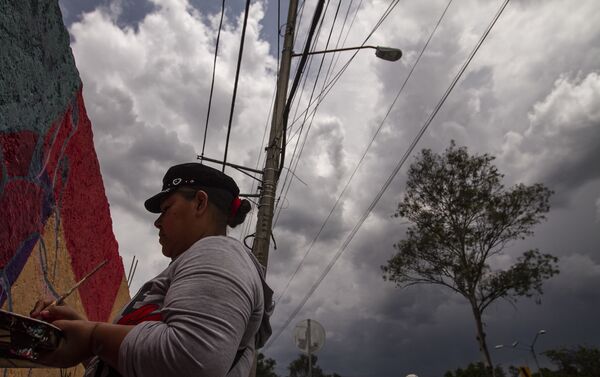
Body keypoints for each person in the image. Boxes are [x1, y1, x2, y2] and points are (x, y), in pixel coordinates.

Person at [30, 162, 273, 377]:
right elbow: (137, 366)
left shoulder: (219, 253)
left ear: (200, 203)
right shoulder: (195, 264)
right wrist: (78, 330)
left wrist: (93, 337)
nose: (157, 222)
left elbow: (192, 361)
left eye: (166, 208)